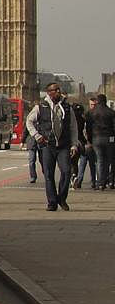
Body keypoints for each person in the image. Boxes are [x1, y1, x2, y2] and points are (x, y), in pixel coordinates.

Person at [25, 82, 81, 211]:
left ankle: (61, 198)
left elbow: (73, 127)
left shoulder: (67, 107)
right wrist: (36, 136)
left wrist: (74, 145)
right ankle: (52, 202)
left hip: (63, 145)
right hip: (47, 145)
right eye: (55, 90)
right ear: (49, 92)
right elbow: (29, 121)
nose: (58, 92)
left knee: (66, 172)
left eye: (58, 89)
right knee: (49, 175)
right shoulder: (41, 106)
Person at [87, 94, 115, 190]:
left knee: (99, 160)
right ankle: (107, 180)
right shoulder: (111, 112)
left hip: (96, 137)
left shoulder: (91, 112)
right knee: (108, 160)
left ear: (97, 101)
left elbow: (88, 128)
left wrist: (90, 139)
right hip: (109, 137)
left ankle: (99, 182)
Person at [72, 98, 97, 189]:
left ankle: (78, 180)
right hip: (87, 143)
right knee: (91, 164)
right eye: (92, 105)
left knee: (81, 163)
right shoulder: (84, 118)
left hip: (82, 143)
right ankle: (94, 181)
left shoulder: (84, 117)